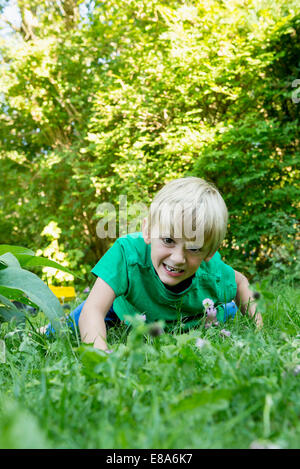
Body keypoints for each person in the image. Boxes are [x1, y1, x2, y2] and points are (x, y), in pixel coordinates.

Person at [74, 177, 263, 352]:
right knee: (81, 316)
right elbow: (94, 310)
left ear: (209, 252)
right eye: (168, 240)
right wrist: (102, 356)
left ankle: (226, 309)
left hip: (189, 321)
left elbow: (240, 283)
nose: (178, 258)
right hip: (126, 312)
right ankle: (44, 330)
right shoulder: (128, 253)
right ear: (147, 231)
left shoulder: (213, 274)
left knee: (220, 312)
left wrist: (259, 331)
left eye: (194, 248)